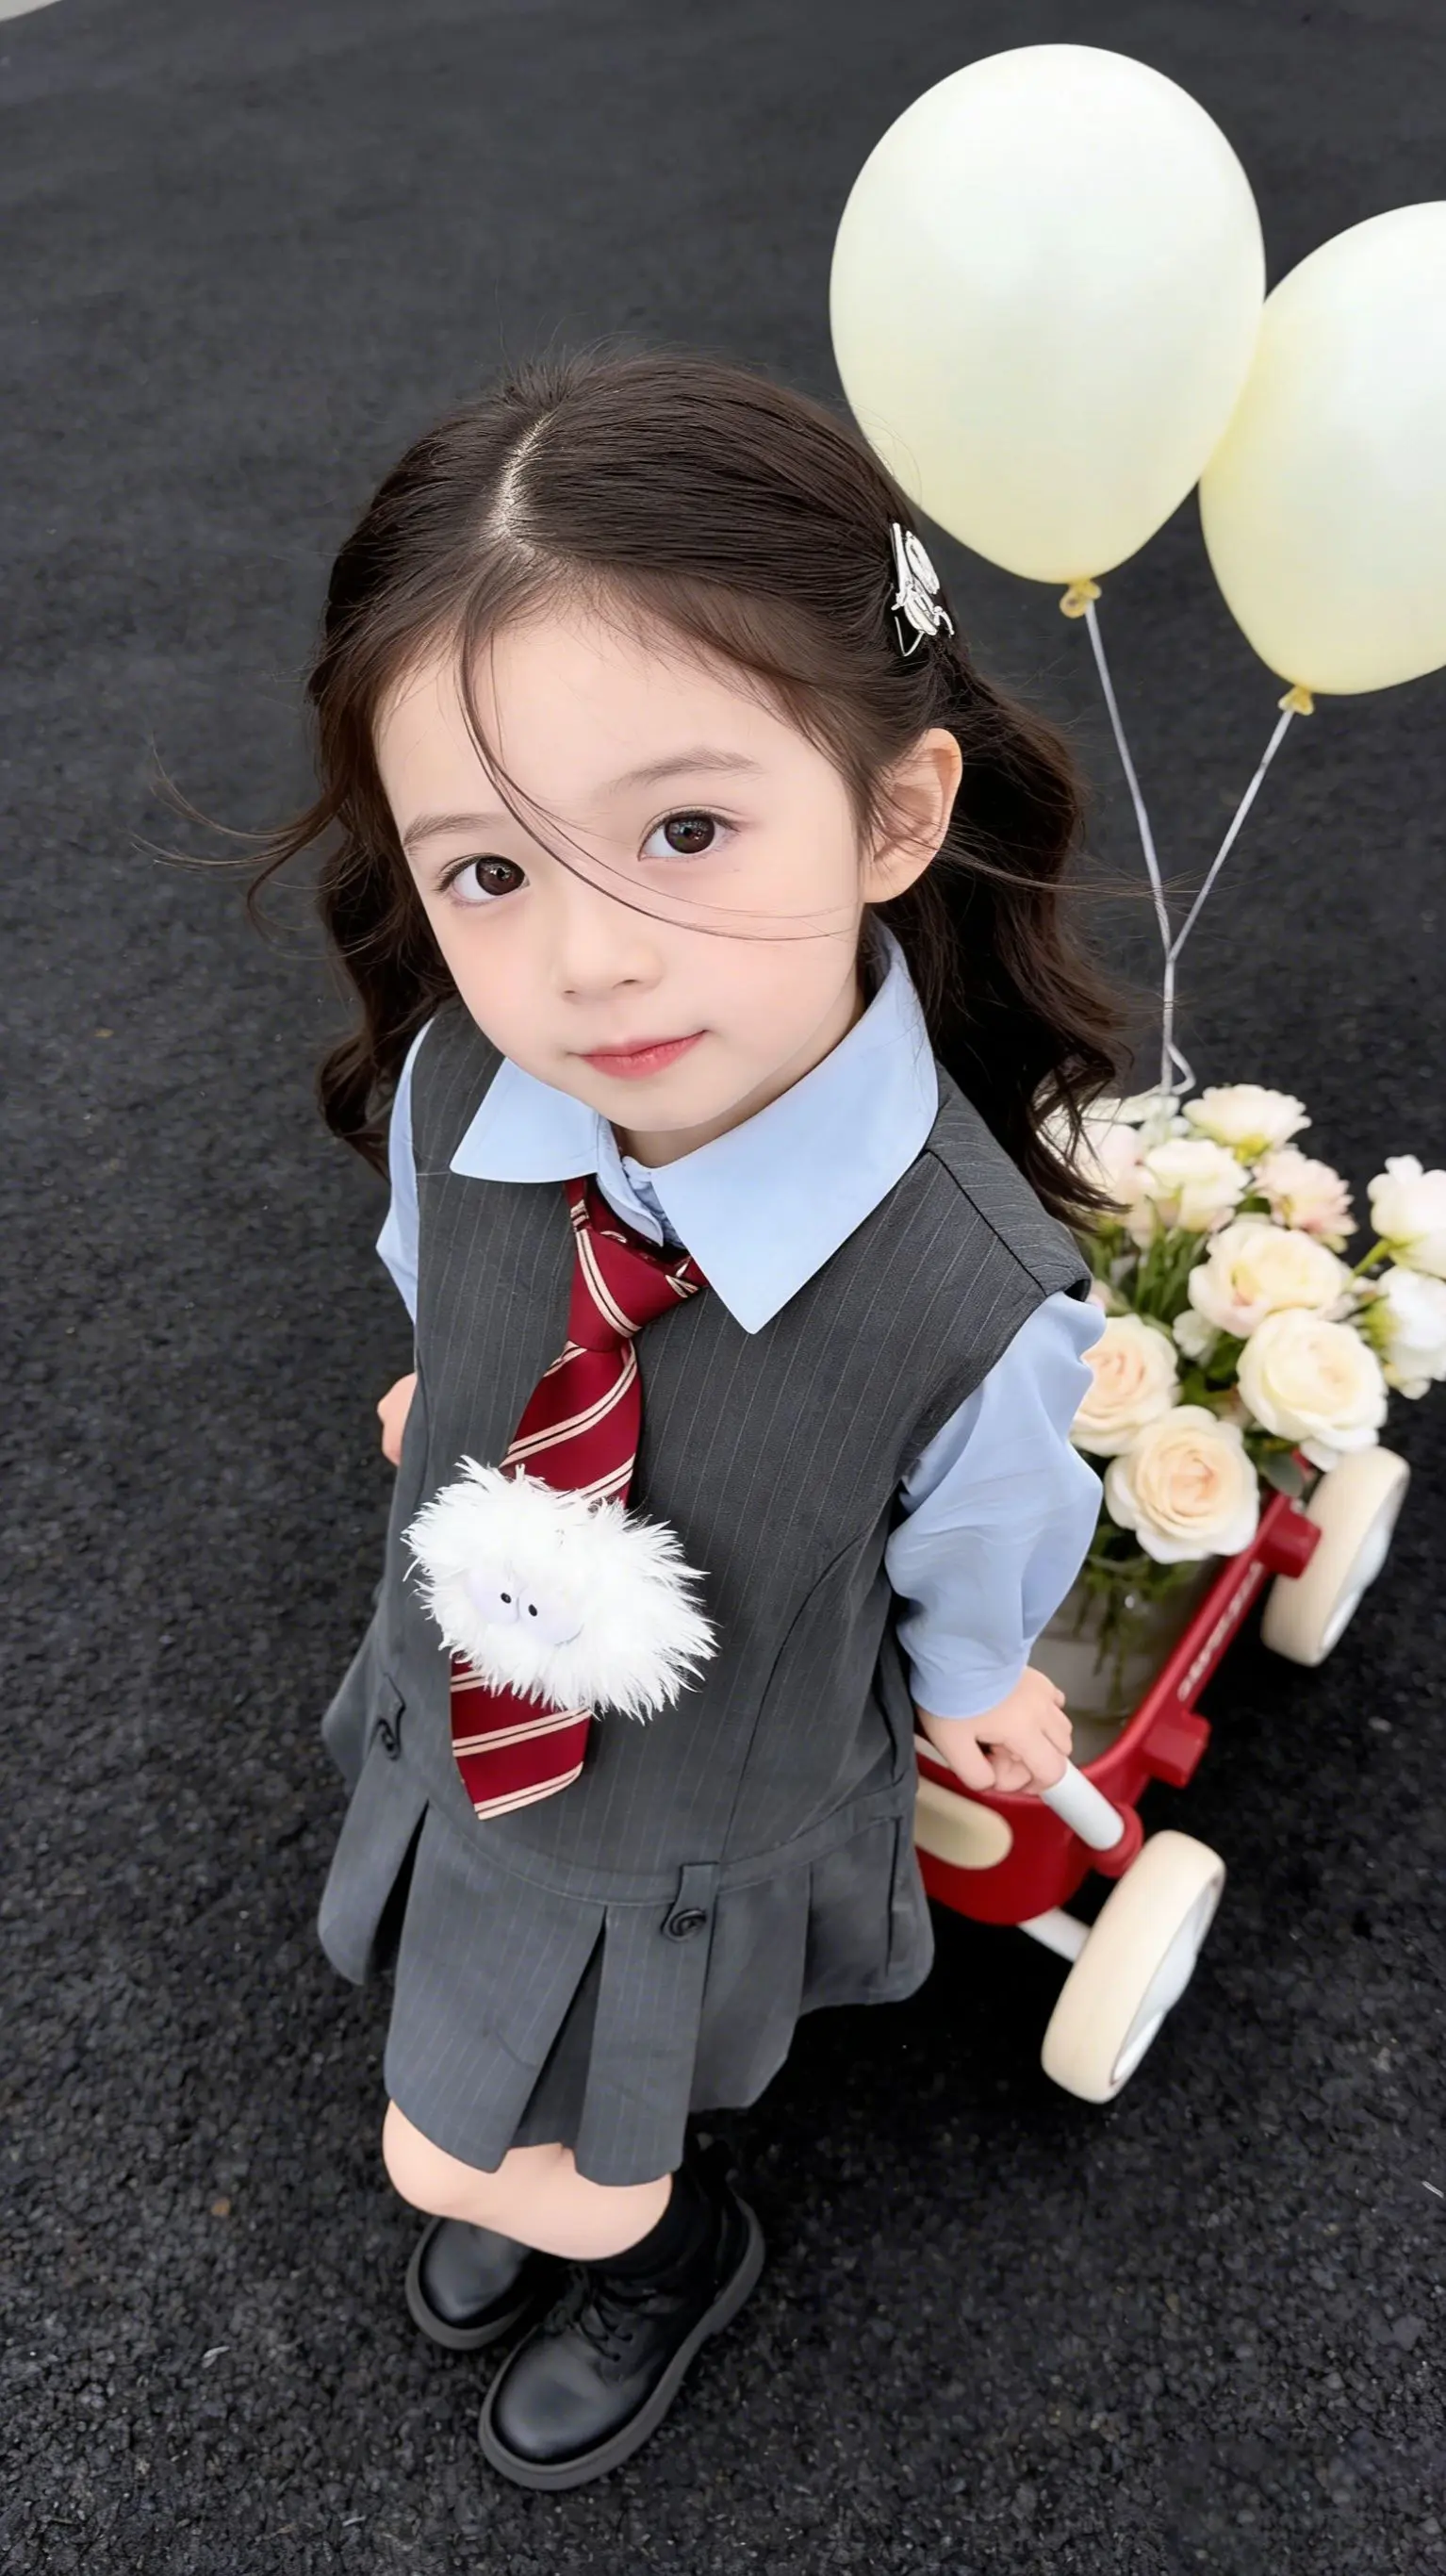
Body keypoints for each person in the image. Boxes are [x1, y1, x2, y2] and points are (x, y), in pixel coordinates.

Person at [249, 345, 1126, 2491]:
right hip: (475, 1670)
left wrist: (975, 1687)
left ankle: (657, 2232)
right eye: (488, 871)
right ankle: (529, 2138)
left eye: (685, 831)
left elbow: (975, 1541)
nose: (589, 963)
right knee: (475, 1959)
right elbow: (438, 1274)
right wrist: (443, 1382)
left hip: (704, 1772)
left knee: (616, 2089)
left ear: (892, 812)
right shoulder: (464, 1086)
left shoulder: (973, 1298)